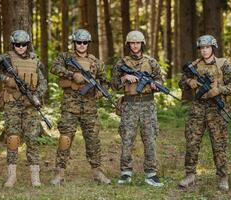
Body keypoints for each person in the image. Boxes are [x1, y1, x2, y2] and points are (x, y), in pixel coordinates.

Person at [0, 30, 47, 187]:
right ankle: (12, 176)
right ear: (13, 44)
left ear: (28, 44)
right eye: (17, 44)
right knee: (12, 139)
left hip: (30, 105)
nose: (21, 47)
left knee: (32, 139)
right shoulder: (5, 58)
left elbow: (43, 82)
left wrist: (36, 96)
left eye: (24, 44)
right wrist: (5, 78)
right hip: (12, 103)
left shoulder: (35, 60)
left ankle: (35, 177)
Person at [178, 35, 231, 191]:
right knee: (192, 142)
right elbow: (181, 82)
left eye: (207, 47)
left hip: (217, 110)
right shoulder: (194, 65)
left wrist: (219, 90)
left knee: (219, 145)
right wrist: (189, 82)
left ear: (213, 47)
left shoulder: (223, 64)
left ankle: (223, 177)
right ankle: (190, 175)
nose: (205, 51)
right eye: (202, 48)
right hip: (198, 108)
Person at [50, 28, 111, 185]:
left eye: (85, 42)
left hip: (90, 108)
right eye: (79, 42)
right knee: (65, 139)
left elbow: (104, 81)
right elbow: (54, 68)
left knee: (93, 140)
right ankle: (59, 173)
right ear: (74, 43)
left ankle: (97, 172)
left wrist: (100, 91)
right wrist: (72, 75)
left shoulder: (96, 62)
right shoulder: (66, 57)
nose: (82, 45)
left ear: (88, 44)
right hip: (70, 106)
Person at [111, 30, 164, 187]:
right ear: (128, 44)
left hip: (148, 105)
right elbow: (113, 84)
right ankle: (126, 172)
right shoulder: (122, 63)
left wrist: (156, 85)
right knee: (127, 139)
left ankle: (151, 173)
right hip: (129, 105)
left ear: (142, 44)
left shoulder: (151, 62)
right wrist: (124, 78)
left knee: (150, 139)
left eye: (138, 43)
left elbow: (160, 80)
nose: (135, 46)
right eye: (132, 43)